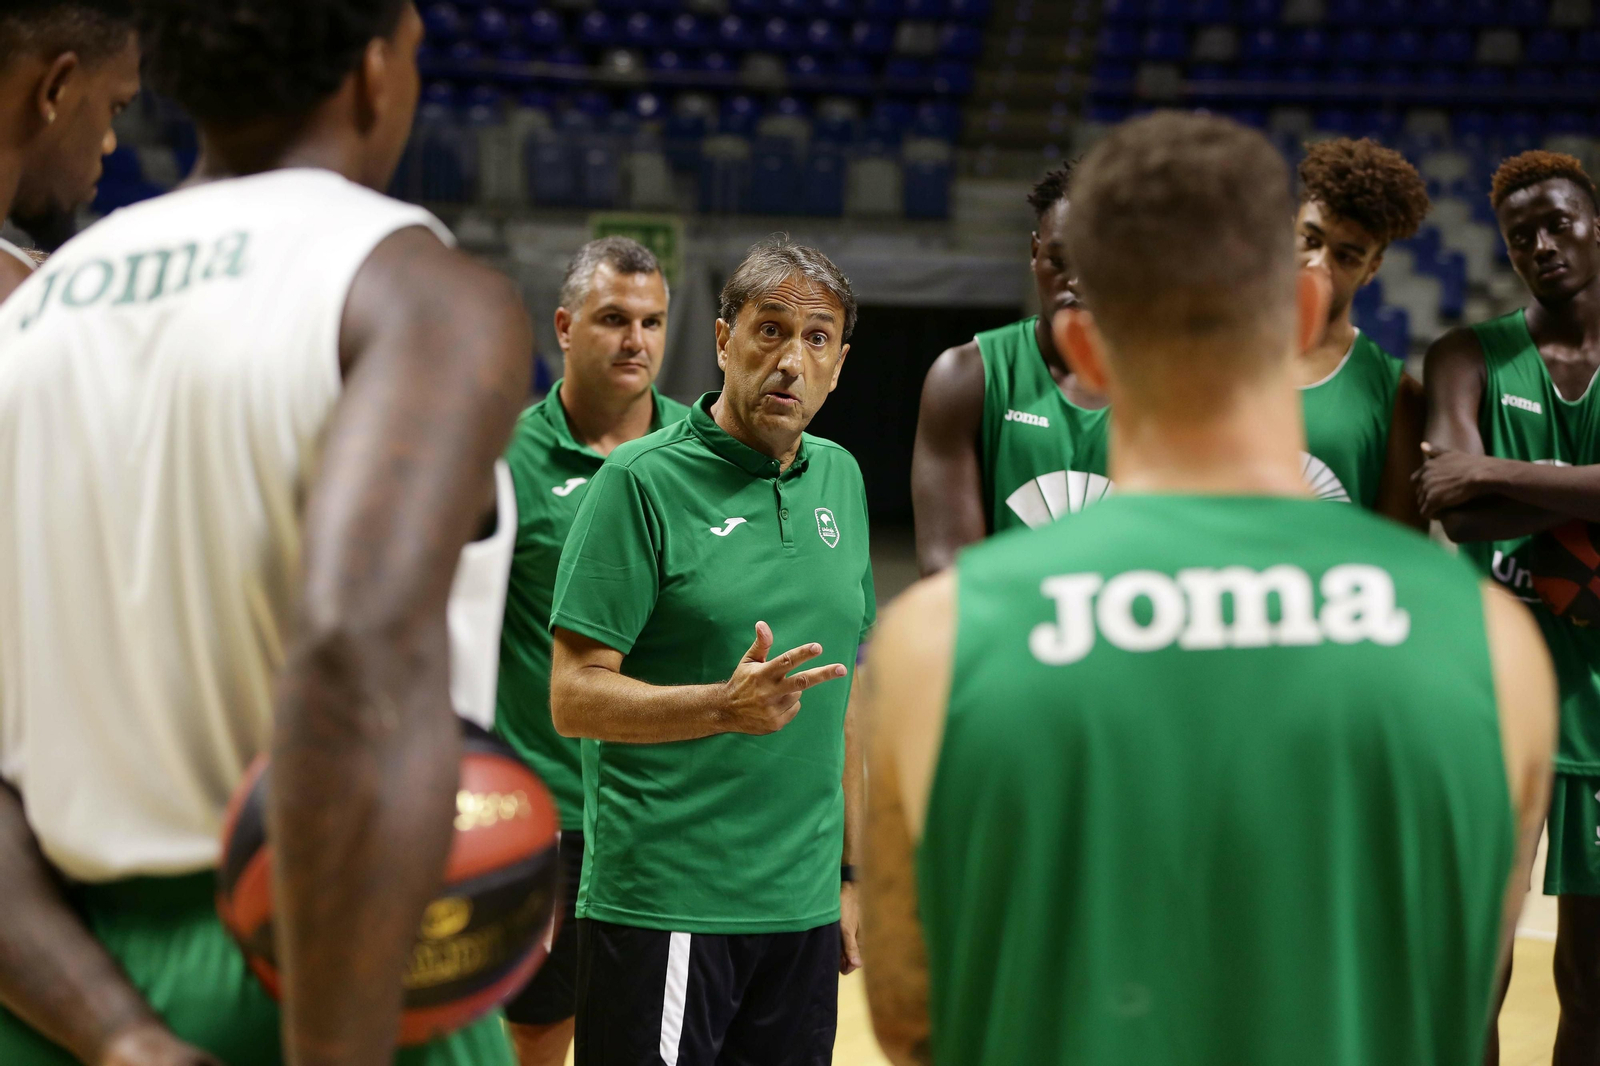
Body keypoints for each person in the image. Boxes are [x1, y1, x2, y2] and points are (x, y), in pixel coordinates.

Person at [863, 110, 1556, 1066]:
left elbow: (910, 1021)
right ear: (1302, 311)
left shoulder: (930, 647)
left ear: (1088, 350)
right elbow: (1465, 979)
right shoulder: (1491, 647)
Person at [0, 2, 533, 1065]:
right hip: (331, 973)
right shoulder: (416, 296)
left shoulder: (31, 316)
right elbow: (355, 655)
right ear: (375, 73)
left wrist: (121, 1036)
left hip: (62, 985)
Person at [547, 237, 873, 1066]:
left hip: (801, 913)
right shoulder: (640, 482)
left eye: (817, 339)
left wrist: (849, 877)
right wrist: (720, 708)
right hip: (669, 906)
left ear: (839, 365)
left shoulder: (842, 480)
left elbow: (841, 706)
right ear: (724, 341)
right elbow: (574, 695)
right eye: (771, 331)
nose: (791, 361)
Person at [1418, 150, 1600, 1065]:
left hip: (1599, 703)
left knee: (1594, 981)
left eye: (1558, 223)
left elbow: (1472, 485)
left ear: (1597, 227)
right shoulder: (1466, 355)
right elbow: (1450, 508)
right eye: (1521, 234)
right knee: (1471, 967)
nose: (1541, 245)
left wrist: (1492, 471)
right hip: (1493, 697)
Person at [494, 236, 689, 1066]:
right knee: (539, 1032)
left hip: (666, 813)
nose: (636, 340)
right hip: (548, 815)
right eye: (614, 319)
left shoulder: (703, 450)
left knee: (652, 1038)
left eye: (653, 321)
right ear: (565, 327)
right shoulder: (503, 458)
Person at [910, 161, 1110, 575]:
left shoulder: (1174, 387)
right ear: (1035, 253)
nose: (1076, 283)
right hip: (1008, 616)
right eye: (1060, 261)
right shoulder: (965, 376)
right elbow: (948, 569)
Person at [1294, 138, 1428, 526]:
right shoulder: (1216, 354)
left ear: (1372, 269)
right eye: (1310, 240)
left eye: (1346, 256)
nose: (1319, 264)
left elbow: (1402, 548)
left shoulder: (1396, 395)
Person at [0, 0, 140, 302]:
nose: (109, 143)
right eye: (115, 107)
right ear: (56, 88)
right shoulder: (29, 300)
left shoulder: (21, 280)